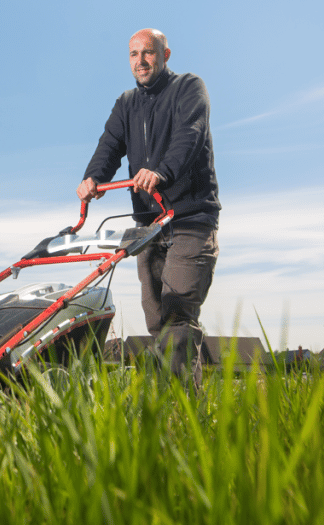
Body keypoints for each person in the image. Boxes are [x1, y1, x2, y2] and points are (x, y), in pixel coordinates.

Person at [77, 28, 220, 389]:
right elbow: (110, 144)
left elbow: (190, 134)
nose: (140, 61)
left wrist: (160, 172)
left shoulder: (189, 87)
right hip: (149, 224)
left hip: (190, 218)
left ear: (165, 55)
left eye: (148, 53)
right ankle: (170, 404)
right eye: (133, 54)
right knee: (156, 319)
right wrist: (93, 177)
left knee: (178, 311)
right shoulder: (127, 103)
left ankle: (184, 411)